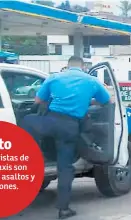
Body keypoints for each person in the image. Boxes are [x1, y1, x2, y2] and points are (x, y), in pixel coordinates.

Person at [20, 56, 111, 219]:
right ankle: (63, 209)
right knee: (65, 168)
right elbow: (107, 101)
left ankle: (28, 155)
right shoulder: (91, 81)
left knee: (27, 120)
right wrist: (87, 101)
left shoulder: (54, 77)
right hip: (70, 128)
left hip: (50, 122)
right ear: (83, 67)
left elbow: (39, 100)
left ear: (67, 66)